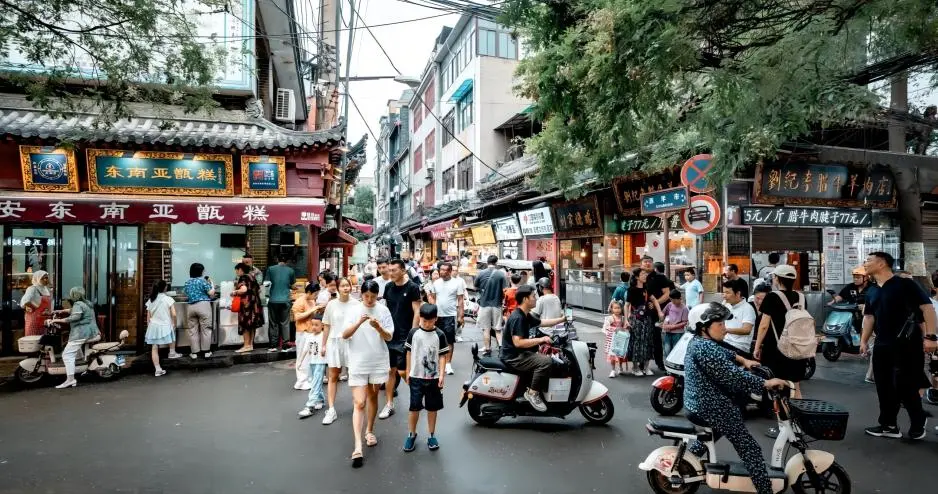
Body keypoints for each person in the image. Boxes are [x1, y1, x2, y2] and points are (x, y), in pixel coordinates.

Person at [684, 303, 788, 494]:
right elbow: (734, 377)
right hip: (711, 406)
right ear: (703, 327)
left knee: (716, 431)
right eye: (720, 324)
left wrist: (744, 360)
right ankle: (766, 490)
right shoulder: (706, 348)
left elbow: (726, 352)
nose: (725, 328)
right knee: (751, 449)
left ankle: (689, 458)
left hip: (700, 403)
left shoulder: (700, 342)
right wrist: (766, 383)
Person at [861, 252, 937, 440]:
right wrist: (863, 341)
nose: (865, 263)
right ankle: (888, 425)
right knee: (883, 386)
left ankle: (918, 421)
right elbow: (869, 317)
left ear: (881, 263)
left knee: (906, 385)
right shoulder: (871, 290)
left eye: (868, 260)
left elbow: (927, 308)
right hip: (882, 344)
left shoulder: (905, 284)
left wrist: (931, 337)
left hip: (907, 343)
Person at [342, 280, 394, 467]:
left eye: (373, 296)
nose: (370, 300)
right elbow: (345, 334)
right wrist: (359, 322)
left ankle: (369, 430)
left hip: (378, 359)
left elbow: (389, 336)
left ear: (377, 295)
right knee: (359, 402)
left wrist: (378, 327)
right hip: (357, 360)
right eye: (366, 296)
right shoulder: (354, 310)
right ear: (361, 294)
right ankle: (357, 446)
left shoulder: (383, 310)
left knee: (372, 397)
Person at [501, 285, 567, 411]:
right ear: (526, 299)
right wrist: (541, 339)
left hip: (520, 353)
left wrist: (562, 319)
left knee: (545, 356)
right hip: (514, 357)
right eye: (533, 296)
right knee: (546, 362)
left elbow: (542, 322)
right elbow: (518, 343)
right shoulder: (518, 317)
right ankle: (532, 393)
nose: (536, 299)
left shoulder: (525, 314)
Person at [402, 304, 450, 453]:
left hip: (433, 378)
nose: (427, 324)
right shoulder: (413, 333)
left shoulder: (440, 335)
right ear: (420, 318)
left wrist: (442, 374)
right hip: (416, 377)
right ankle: (411, 434)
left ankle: (431, 435)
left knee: (432, 407)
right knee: (414, 407)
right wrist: (408, 371)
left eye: (430, 321)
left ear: (436, 319)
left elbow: (443, 355)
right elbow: (408, 352)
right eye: (424, 321)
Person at [753, 265, 806, 398]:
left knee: (776, 383)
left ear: (777, 279)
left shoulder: (772, 297)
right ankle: (798, 414)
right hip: (797, 346)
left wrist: (757, 346)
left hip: (776, 347)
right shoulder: (801, 297)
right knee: (795, 385)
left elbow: (764, 325)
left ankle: (783, 415)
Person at [379, 259, 423, 420]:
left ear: (403, 271)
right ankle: (389, 404)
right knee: (390, 371)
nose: (390, 273)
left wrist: (413, 334)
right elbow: (385, 309)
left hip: (405, 335)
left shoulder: (412, 287)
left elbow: (417, 311)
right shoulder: (389, 287)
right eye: (389, 270)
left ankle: (418, 393)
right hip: (390, 334)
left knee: (403, 370)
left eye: (393, 270)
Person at [321, 277, 362, 425]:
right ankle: (331, 409)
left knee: (354, 374)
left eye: (347, 285)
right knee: (333, 375)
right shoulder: (331, 305)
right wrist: (323, 345)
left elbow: (360, 326)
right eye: (342, 286)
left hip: (352, 342)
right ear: (337, 288)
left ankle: (357, 406)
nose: (345, 288)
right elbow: (326, 325)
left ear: (351, 287)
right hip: (334, 342)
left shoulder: (357, 305)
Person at [47, 287, 101, 389]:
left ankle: (70, 380)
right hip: (90, 331)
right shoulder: (87, 303)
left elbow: (74, 317)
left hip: (81, 333)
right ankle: (79, 366)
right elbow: (74, 311)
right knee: (74, 352)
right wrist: (61, 311)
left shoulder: (78, 304)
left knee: (67, 355)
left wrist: (56, 321)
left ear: (74, 295)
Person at [426, 262, 465, 376]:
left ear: (449, 271)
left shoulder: (456, 283)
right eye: (440, 270)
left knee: (449, 340)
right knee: (434, 339)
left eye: (444, 270)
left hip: (450, 315)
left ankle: (448, 364)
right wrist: (433, 312)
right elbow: (433, 298)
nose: (441, 272)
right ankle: (436, 362)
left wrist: (460, 316)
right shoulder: (436, 283)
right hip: (437, 316)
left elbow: (460, 300)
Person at [625, 268, 663, 376]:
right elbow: (626, 305)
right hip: (636, 319)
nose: (645, 275)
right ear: (637, 277)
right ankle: (635, 367)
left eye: (645, 274)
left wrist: (660, 311)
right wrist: (627, 320)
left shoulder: (647, 288)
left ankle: (646, 367)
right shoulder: (631, 289)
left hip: (647, 318)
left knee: (648, 341)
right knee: (637, 342)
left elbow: (654, 300)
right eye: (642, 274)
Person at [293, 283, 327, 391]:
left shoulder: (312, 301)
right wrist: (313, 309)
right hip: (302, 332)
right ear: (308, 292)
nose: (316, 296)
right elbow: (297, 317)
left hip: (311, 332)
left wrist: (319, 309)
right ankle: (301, 381)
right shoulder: (299, 302)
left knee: (311, 356)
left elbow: (313, 314)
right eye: (315, 294)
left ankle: (309, 379)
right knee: (302, 356)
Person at [145, 280, 181, 377]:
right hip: (165, 325)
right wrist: (174, 323)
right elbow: (173, 314)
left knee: (154, 348)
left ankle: (158, 369)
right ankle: (172, 352)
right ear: (165, 288)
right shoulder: (168, 299)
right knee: (172, 333)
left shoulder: (151, 300)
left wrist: (150, 327)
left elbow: (148, 317)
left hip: (153, 326)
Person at [296, 305, 327, 418]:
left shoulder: (324, 336)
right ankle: (321, 400)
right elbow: (305, 349)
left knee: (315, 383)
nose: (314, 327)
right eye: (312, 325)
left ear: (322, 326)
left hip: (320, 362)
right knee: (314, 380)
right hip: (312, 362)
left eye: (316, 325)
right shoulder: (309, 336)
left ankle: (309, 406)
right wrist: (299, 361)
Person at [644, 256, 674, 369]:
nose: (647, 264)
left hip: (656, 312)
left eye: (649, 262)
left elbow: (667, 293)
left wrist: (657, 302)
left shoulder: (660, 277)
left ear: (652, 264)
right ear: (641, 264)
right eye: (645, 262)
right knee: (642, 338)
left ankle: (659, 362)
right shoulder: (638, 276)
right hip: (640, 313)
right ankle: (642, 363)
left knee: (656, 337)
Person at [475, 255, 508, 355]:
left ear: (487, 262)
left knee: (486, 329)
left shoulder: (481, 273)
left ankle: (488, 349)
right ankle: (502, 349)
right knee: (498, 329)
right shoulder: (501, 274)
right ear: (496, 262)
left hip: (484, 304)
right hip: (497, 305)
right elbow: (505, 290)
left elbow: (475, 286)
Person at [184, 263, 216, 358]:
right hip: (203, 306)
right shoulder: (202, 281)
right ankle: (206, 351)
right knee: (206, 329)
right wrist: (212, 284)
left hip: (191, 307)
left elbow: (186, 294)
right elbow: (211, 293)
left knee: (192, 330)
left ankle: (194, 353)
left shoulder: (187, 282)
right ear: (200, 271)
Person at [266, 254, 297, 353]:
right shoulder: (290, 271)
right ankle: (285, 345)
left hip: (273, 300)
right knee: (285, 323)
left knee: (273, 323)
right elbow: (293, 285)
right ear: (287, 261)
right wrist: (290, 287)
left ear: (277, 259)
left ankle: (273, 346)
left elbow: (266, 284)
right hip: (285, 300)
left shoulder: (270, 269)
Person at [233, 262, 264, 354]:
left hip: (247, 305)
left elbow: (244, 289)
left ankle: (246, 346)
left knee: (245, 325)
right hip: (255, 304)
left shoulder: (243, 278)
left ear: (240, 270)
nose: (236, 273)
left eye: (236, 271)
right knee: (252, 325)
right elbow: (259, 289)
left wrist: (235, 292)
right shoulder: (252, 277)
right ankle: (250, 345)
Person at [723, 279, 757, 358]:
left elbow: (746, 330)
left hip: (739, 347)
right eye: (723, 292)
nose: (724, 296)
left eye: (727, 292)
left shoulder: (748, 308)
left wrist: (726, 330)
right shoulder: (727, 306)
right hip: (726, 343)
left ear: (738, 293)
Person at [20, 270, 52, 336]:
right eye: (43, 278)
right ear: (37, 278)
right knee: (33, 340)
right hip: (34, 320)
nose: (46, 280)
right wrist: (33, 308)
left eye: (47, 278)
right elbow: (25, 301)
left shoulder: (46, 289)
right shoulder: (32, 289)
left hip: (45, 320)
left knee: (43, 340)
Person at [604, 300, 629, 377]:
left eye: (618, 308)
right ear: (611, 309)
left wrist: (626, 328)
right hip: (612, 339)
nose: (617, 310)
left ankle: (620, 367)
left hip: (621, 339)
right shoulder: (610, 318)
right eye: (615, 308)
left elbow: (625, 326)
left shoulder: (623, 318)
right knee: (612, 355)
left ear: (621, 309)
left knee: (620, 355)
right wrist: (613, 329)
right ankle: (613, 370)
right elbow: (606, 327)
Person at [661, 289, 689, 359]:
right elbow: (664, 313)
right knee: (667, 350)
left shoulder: (684, 308)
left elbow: (685, 322)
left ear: (680, 298)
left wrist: (673, 326)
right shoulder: (670, 305)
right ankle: (667, 366)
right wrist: (664, 321)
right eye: (671, 300)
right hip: (668, 331)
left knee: (675, 351)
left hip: (678, 333)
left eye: (674, 300)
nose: (672, 302)